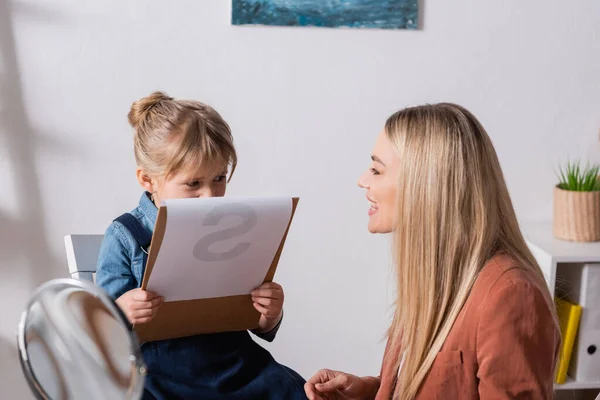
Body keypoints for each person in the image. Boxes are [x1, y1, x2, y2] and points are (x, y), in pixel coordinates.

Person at [305, 103, 560, 399]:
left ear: (424, 185)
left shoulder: (511, 296)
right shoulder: (435, 276)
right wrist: (368, 390)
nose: (362, 180)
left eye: (377, 170)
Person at [96, 91, 306, 400]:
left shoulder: (233, 227)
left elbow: (253, 320)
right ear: (148, 180)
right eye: (193, 183)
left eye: (219, 178)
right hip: (163, 375)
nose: (210, 196)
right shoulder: (125, 234)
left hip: (235, 365)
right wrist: (121, 311)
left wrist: (268, 314)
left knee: (294, 390)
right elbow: (101, 336)